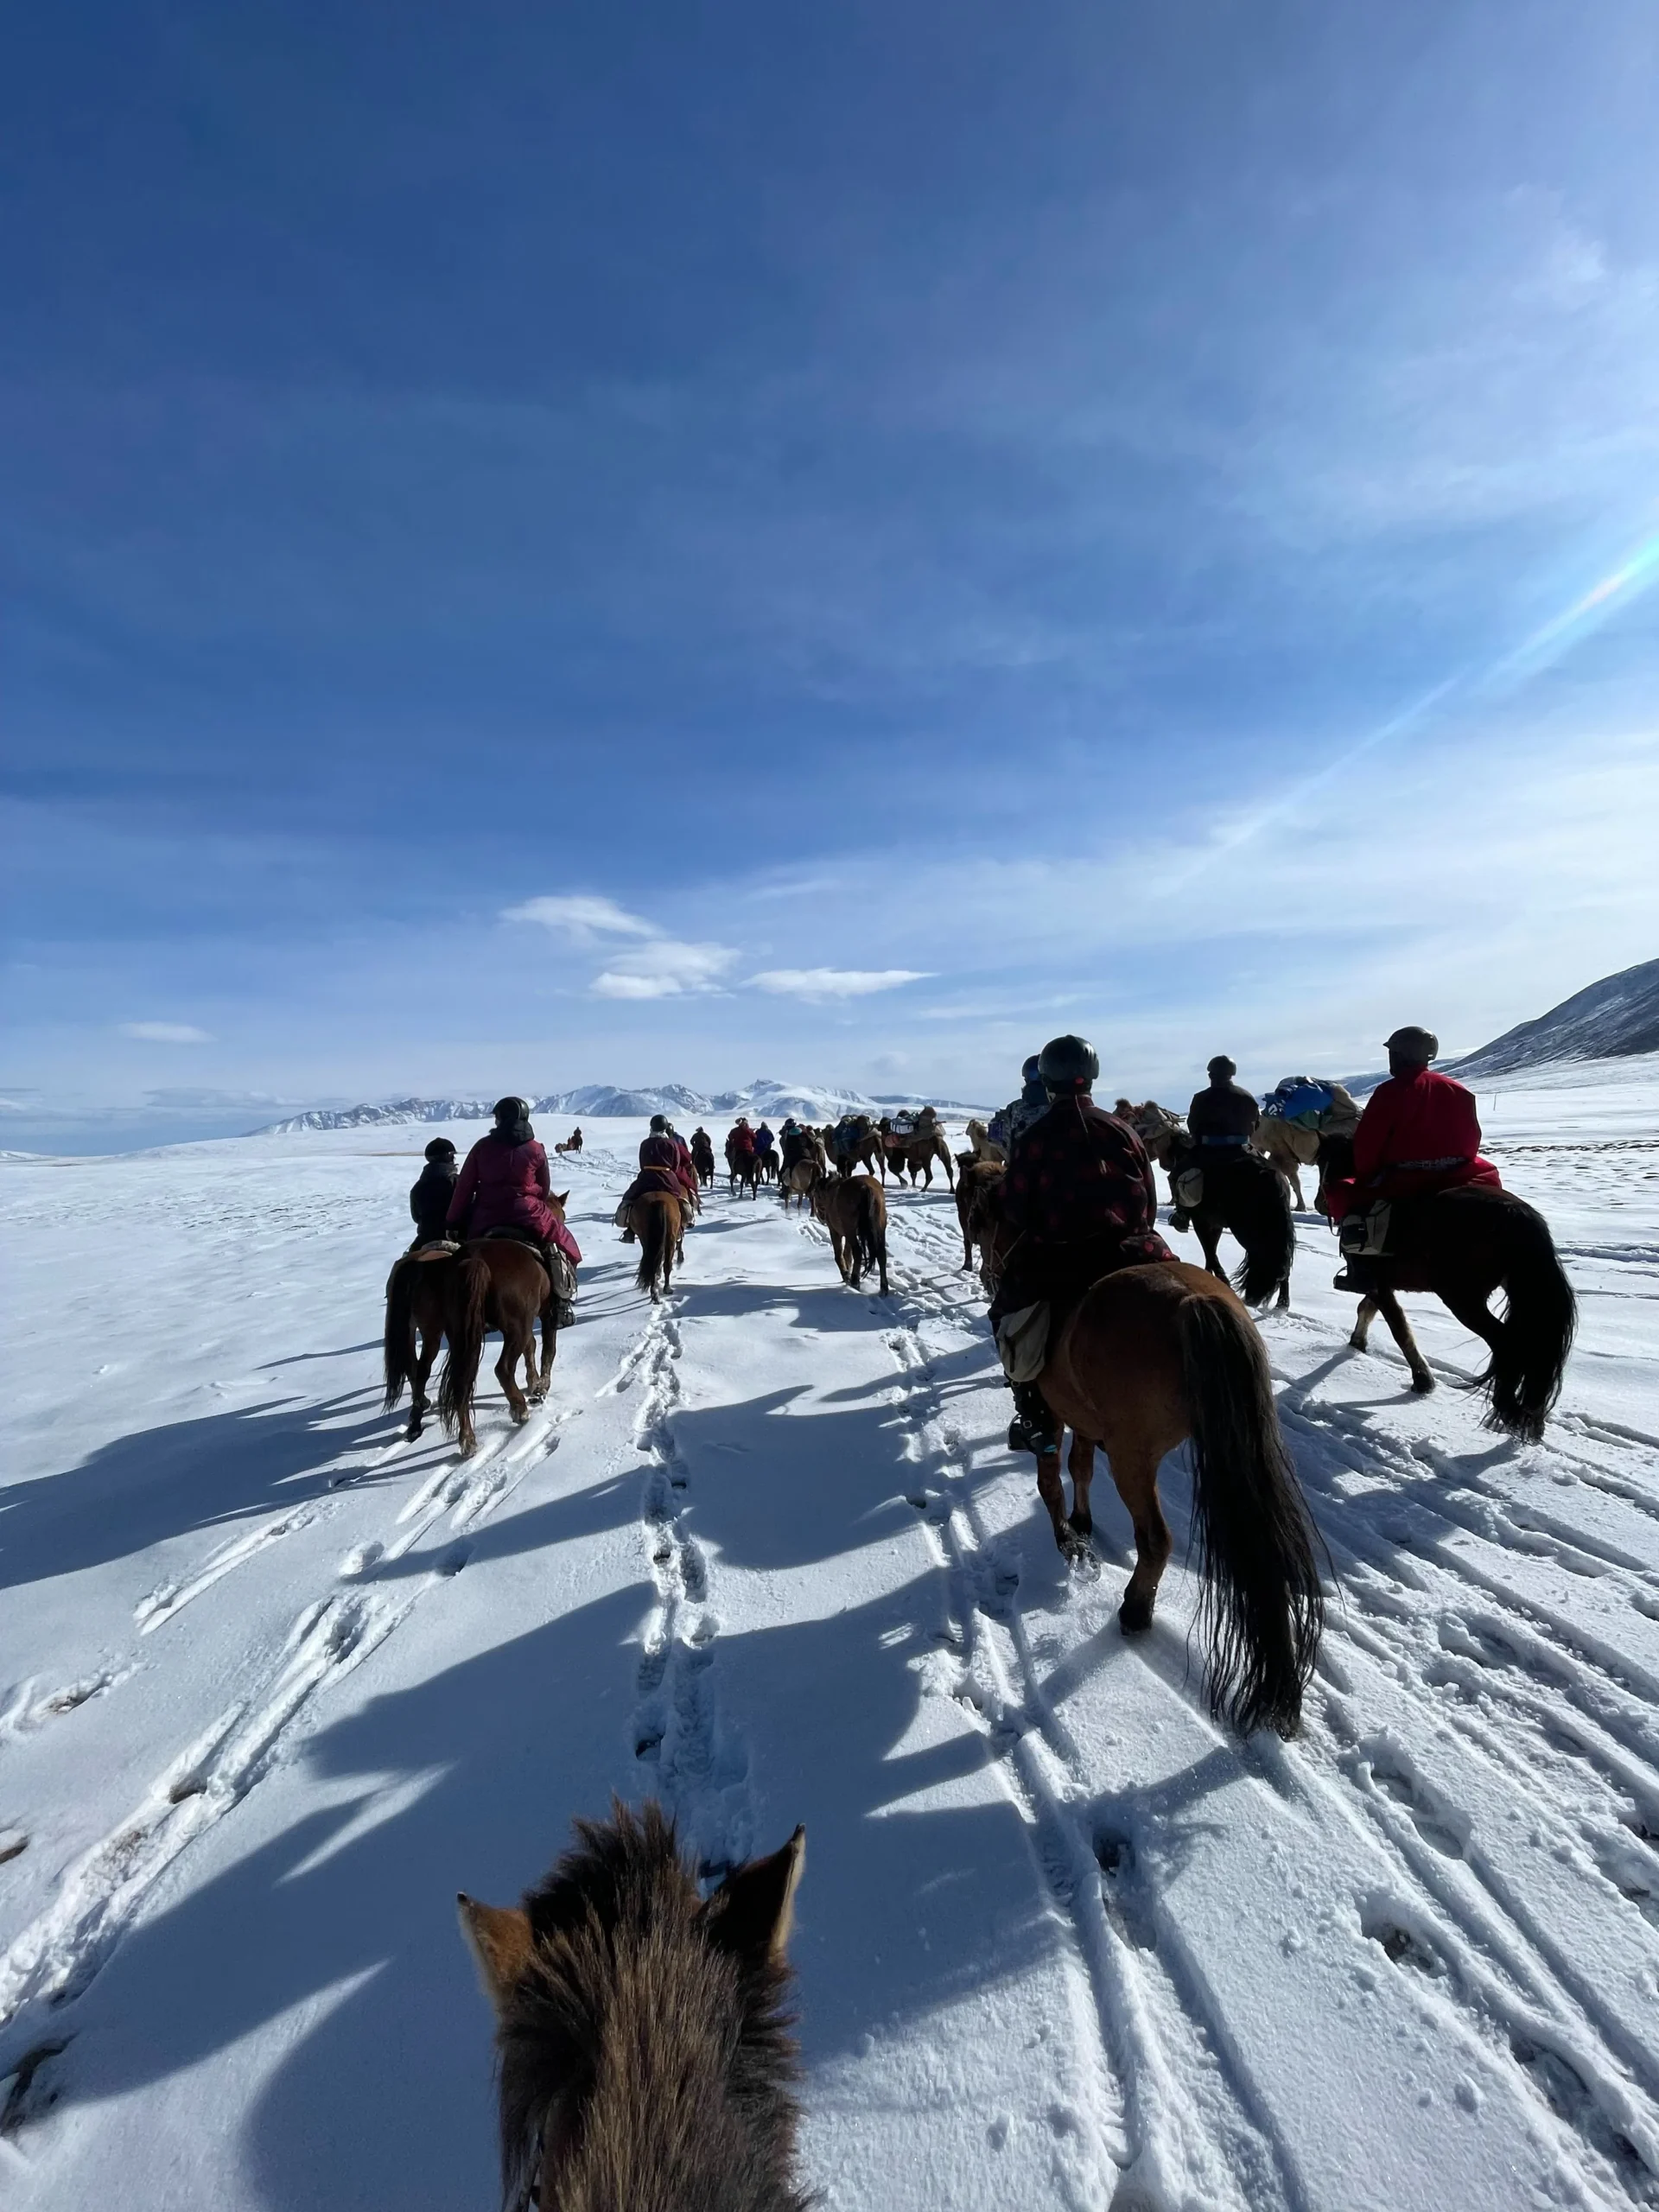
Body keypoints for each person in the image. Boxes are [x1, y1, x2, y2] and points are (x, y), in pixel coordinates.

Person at [990, 1035, 1172, 1455]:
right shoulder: (1123, 1129)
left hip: (1061, 1255)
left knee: (1006, 1312)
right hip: (1133, 1247)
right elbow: (1149, 1195)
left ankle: (1032, 1414)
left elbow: (1016, 1205)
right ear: (1092, 1078)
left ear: (1047, 1081)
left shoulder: (1036, 1136)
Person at [1325, 1027, 1502, 1287]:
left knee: (1346, 1196)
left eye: (1392, 1054)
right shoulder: (1458, 1089)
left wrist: (1365, 1176)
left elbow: (1368, 1143)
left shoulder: (1390, 1091)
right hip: (1459, 1171)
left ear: (1398, 1055)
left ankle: (1360, 1273)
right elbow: (1472, 1138)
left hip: (1405, 1178)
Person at [448, 1097, 582, 1268]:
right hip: (529, 1213)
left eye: (497, 1117)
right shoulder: (535, 1148)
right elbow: (544, 1188)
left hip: (486, 1215)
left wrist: (452, 1222)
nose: (495, 1121)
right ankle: (563, 1290)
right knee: (567, 1247)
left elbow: (464, 1188)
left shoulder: (482, 1147)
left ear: (502, 1118)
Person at [618, 1114, 697, 1239]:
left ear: (652, 1127)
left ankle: (629, 1229)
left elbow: (642, 1163)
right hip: (668, 1178)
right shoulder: (671, 1144)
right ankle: (686, 1219)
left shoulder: (645, 1143)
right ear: (665, 1128)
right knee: (680, 1197)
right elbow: (675, 1165)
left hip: (647, 1178)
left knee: (630, 1196)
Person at [1187, 1056, 1260, 1151]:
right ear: (1231, 1075)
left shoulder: (1200, 1098)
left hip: (1207, 1152)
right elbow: (1256, 1123)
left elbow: (1192, 1126)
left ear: (1210, 1076)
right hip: (1242, 1150)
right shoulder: (1247, 1097)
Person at [408, 1137, 459, 1247]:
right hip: (457, 1237)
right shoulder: (458, 1183)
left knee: (404, 1262)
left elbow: (416, 1217)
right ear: (449, 1157)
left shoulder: (418, 1187)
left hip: (426, 1239)